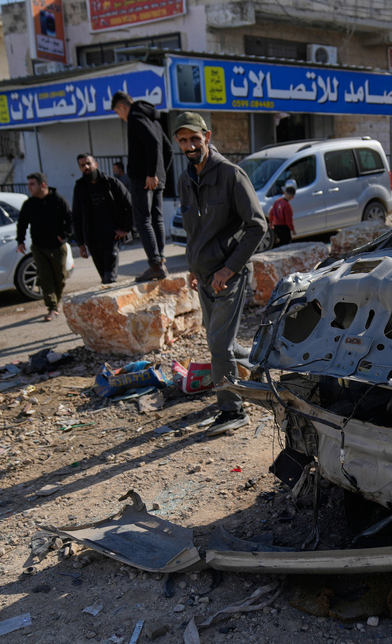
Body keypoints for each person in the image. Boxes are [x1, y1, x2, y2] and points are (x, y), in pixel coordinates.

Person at [173, 111, 267, 437]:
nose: (189, 145)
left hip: (229, 275)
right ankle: (257, 364)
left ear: (207, 137)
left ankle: (233, 411)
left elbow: (258, 226)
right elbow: (193, 230)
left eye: (194, 139)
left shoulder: (230, 174)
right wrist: (193, 266)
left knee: (217, 345)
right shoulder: (185, 179)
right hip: (204, 276)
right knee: (221, 341)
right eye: (183, 140)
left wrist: (229, 267)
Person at [111, 90, 174, 282]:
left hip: (144, 178)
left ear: (122, 106)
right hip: (156, 178)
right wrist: (160, 174)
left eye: (117, 112)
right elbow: (168, 149)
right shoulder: (152, 119)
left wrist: (151, 174)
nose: (119, 117)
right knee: (156, 220)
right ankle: (160, 261)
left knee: (143, 220)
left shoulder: (136, 117)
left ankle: (155, 265)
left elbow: (154, 143)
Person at [16, 172, 73, 322]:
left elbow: (70, 219)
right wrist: (20, 241)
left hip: (57, 246)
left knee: (59, 277)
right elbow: (22, 223)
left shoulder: (58, 200)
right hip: (39, 247)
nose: (29, 187)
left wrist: (64, 235)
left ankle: (58, 299)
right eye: (28, 184)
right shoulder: (29, 204)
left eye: (32, 184)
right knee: (44, 277)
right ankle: (52, 307)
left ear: (42, 185)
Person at [72, 153, 133, 284]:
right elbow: (77, 216)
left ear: (95, 164)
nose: (86, 167)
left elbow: (130, 205)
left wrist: (126, 229)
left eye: (88, 163)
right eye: (83, 165)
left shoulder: (111, 183)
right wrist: (81, 244)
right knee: (104, 278)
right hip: (93, 240)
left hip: (112, 237)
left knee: (109, 277)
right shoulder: (80, 187)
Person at [268, 182, 295, 247]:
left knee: (281, 241)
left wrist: (271, 222)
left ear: (284, 193)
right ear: (292, 197)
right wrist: (292, 229)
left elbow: (271, 212)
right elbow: (288, 220)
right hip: (284, 226)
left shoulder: (277, 202)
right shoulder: (287, 206)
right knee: (286, 241)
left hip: (276, 225)